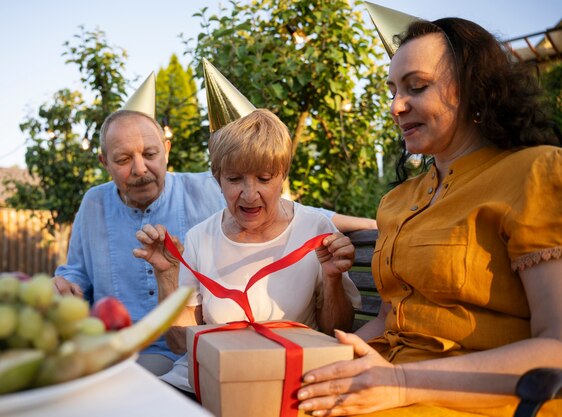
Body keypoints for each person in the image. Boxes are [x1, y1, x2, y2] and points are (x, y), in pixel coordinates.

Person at [295, 14, 562, 417]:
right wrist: (316, 362)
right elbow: (390, 320)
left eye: (416, 87)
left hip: (479, 402)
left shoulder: (536, 172)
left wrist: (401, 383)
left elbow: (557, 349)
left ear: (474, 89)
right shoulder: (399, 200)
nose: (396, 106)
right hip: (386, 384)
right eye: (393, 90)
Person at [52, 75, 376, 376]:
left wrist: (374, 223)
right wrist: (64, 284)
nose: (140, 169)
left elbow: (298, 216)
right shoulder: (101, 206)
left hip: (223, 365)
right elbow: (75, 272)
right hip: (139, 352)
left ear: (166, 150)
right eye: (123, 160)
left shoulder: (210, 190)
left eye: (149, 153)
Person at [134, 108, 362, 392]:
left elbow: (336, 332)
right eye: (234, 179)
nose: (250, 194)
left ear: (283, 175)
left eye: (264, 178)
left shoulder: (316, 229)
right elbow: (181, 343)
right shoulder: (199, 238)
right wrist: (167, 275)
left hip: (283, 385)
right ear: (217, 178)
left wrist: (332, 279)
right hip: (206, 382)